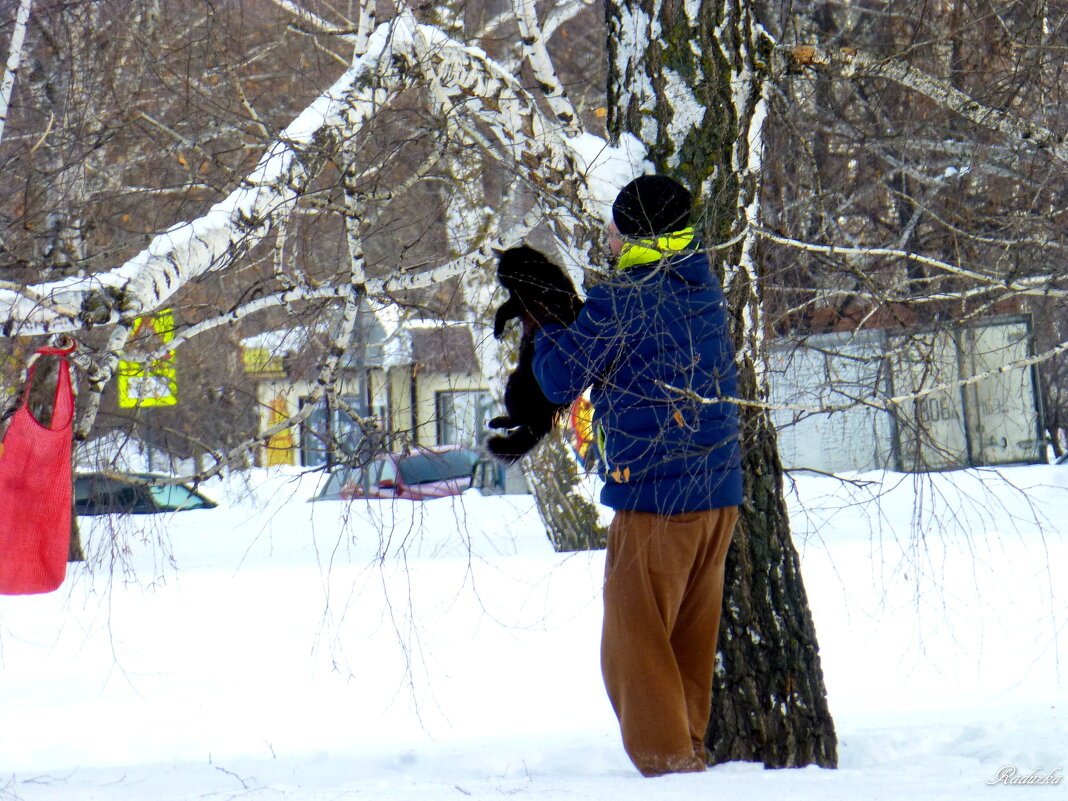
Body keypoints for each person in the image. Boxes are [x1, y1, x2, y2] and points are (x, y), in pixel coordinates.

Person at [530, 175, 743, 777]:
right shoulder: (701, 285)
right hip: (718, 495)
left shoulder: (623, 300)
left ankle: (670, 772)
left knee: (634, 651)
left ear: (635, 233)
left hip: (656, 501)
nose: (610, 236)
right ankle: (690, 757)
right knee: (687, 646)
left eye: (616, 227)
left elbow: (556, 381)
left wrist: (547, 320)